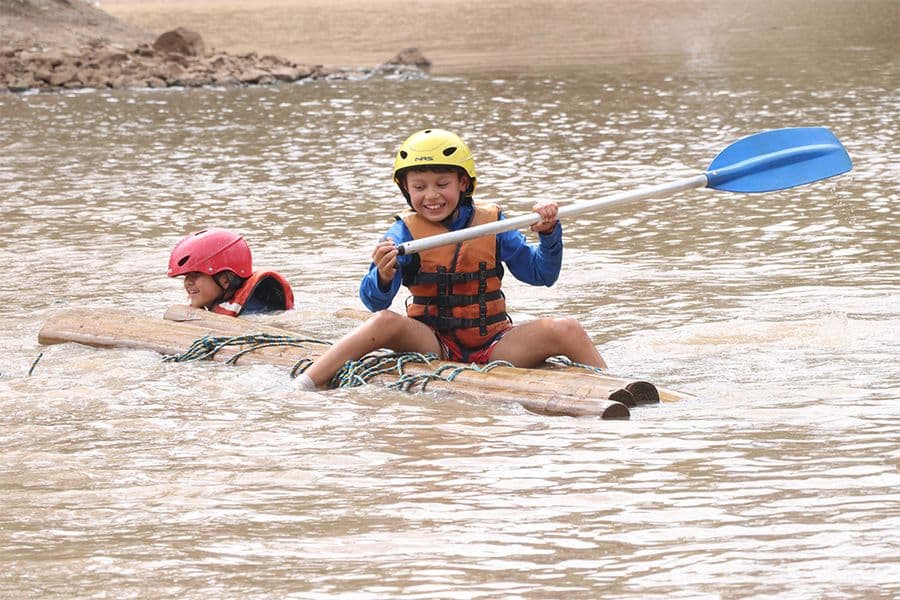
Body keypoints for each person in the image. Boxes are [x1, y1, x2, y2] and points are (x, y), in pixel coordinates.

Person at [295, 128, 605, 390]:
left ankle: (619, 387)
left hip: (495, 345)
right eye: (419, 187)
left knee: (567, 328)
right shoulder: (401, 233)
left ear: (463, 183)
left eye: (442, 184)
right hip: (433, 344)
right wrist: (384, 274)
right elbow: (374, 301)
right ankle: (306, 384)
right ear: (405, 189)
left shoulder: (494, 224)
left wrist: (549, 234)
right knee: (384, 321)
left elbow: (541, 274)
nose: (431, 196)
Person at [168, 227, 294, 316]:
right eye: (186, 276)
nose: (188, 282)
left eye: (195, 275)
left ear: (225, 280)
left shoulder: (252, 312)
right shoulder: (224, 305)